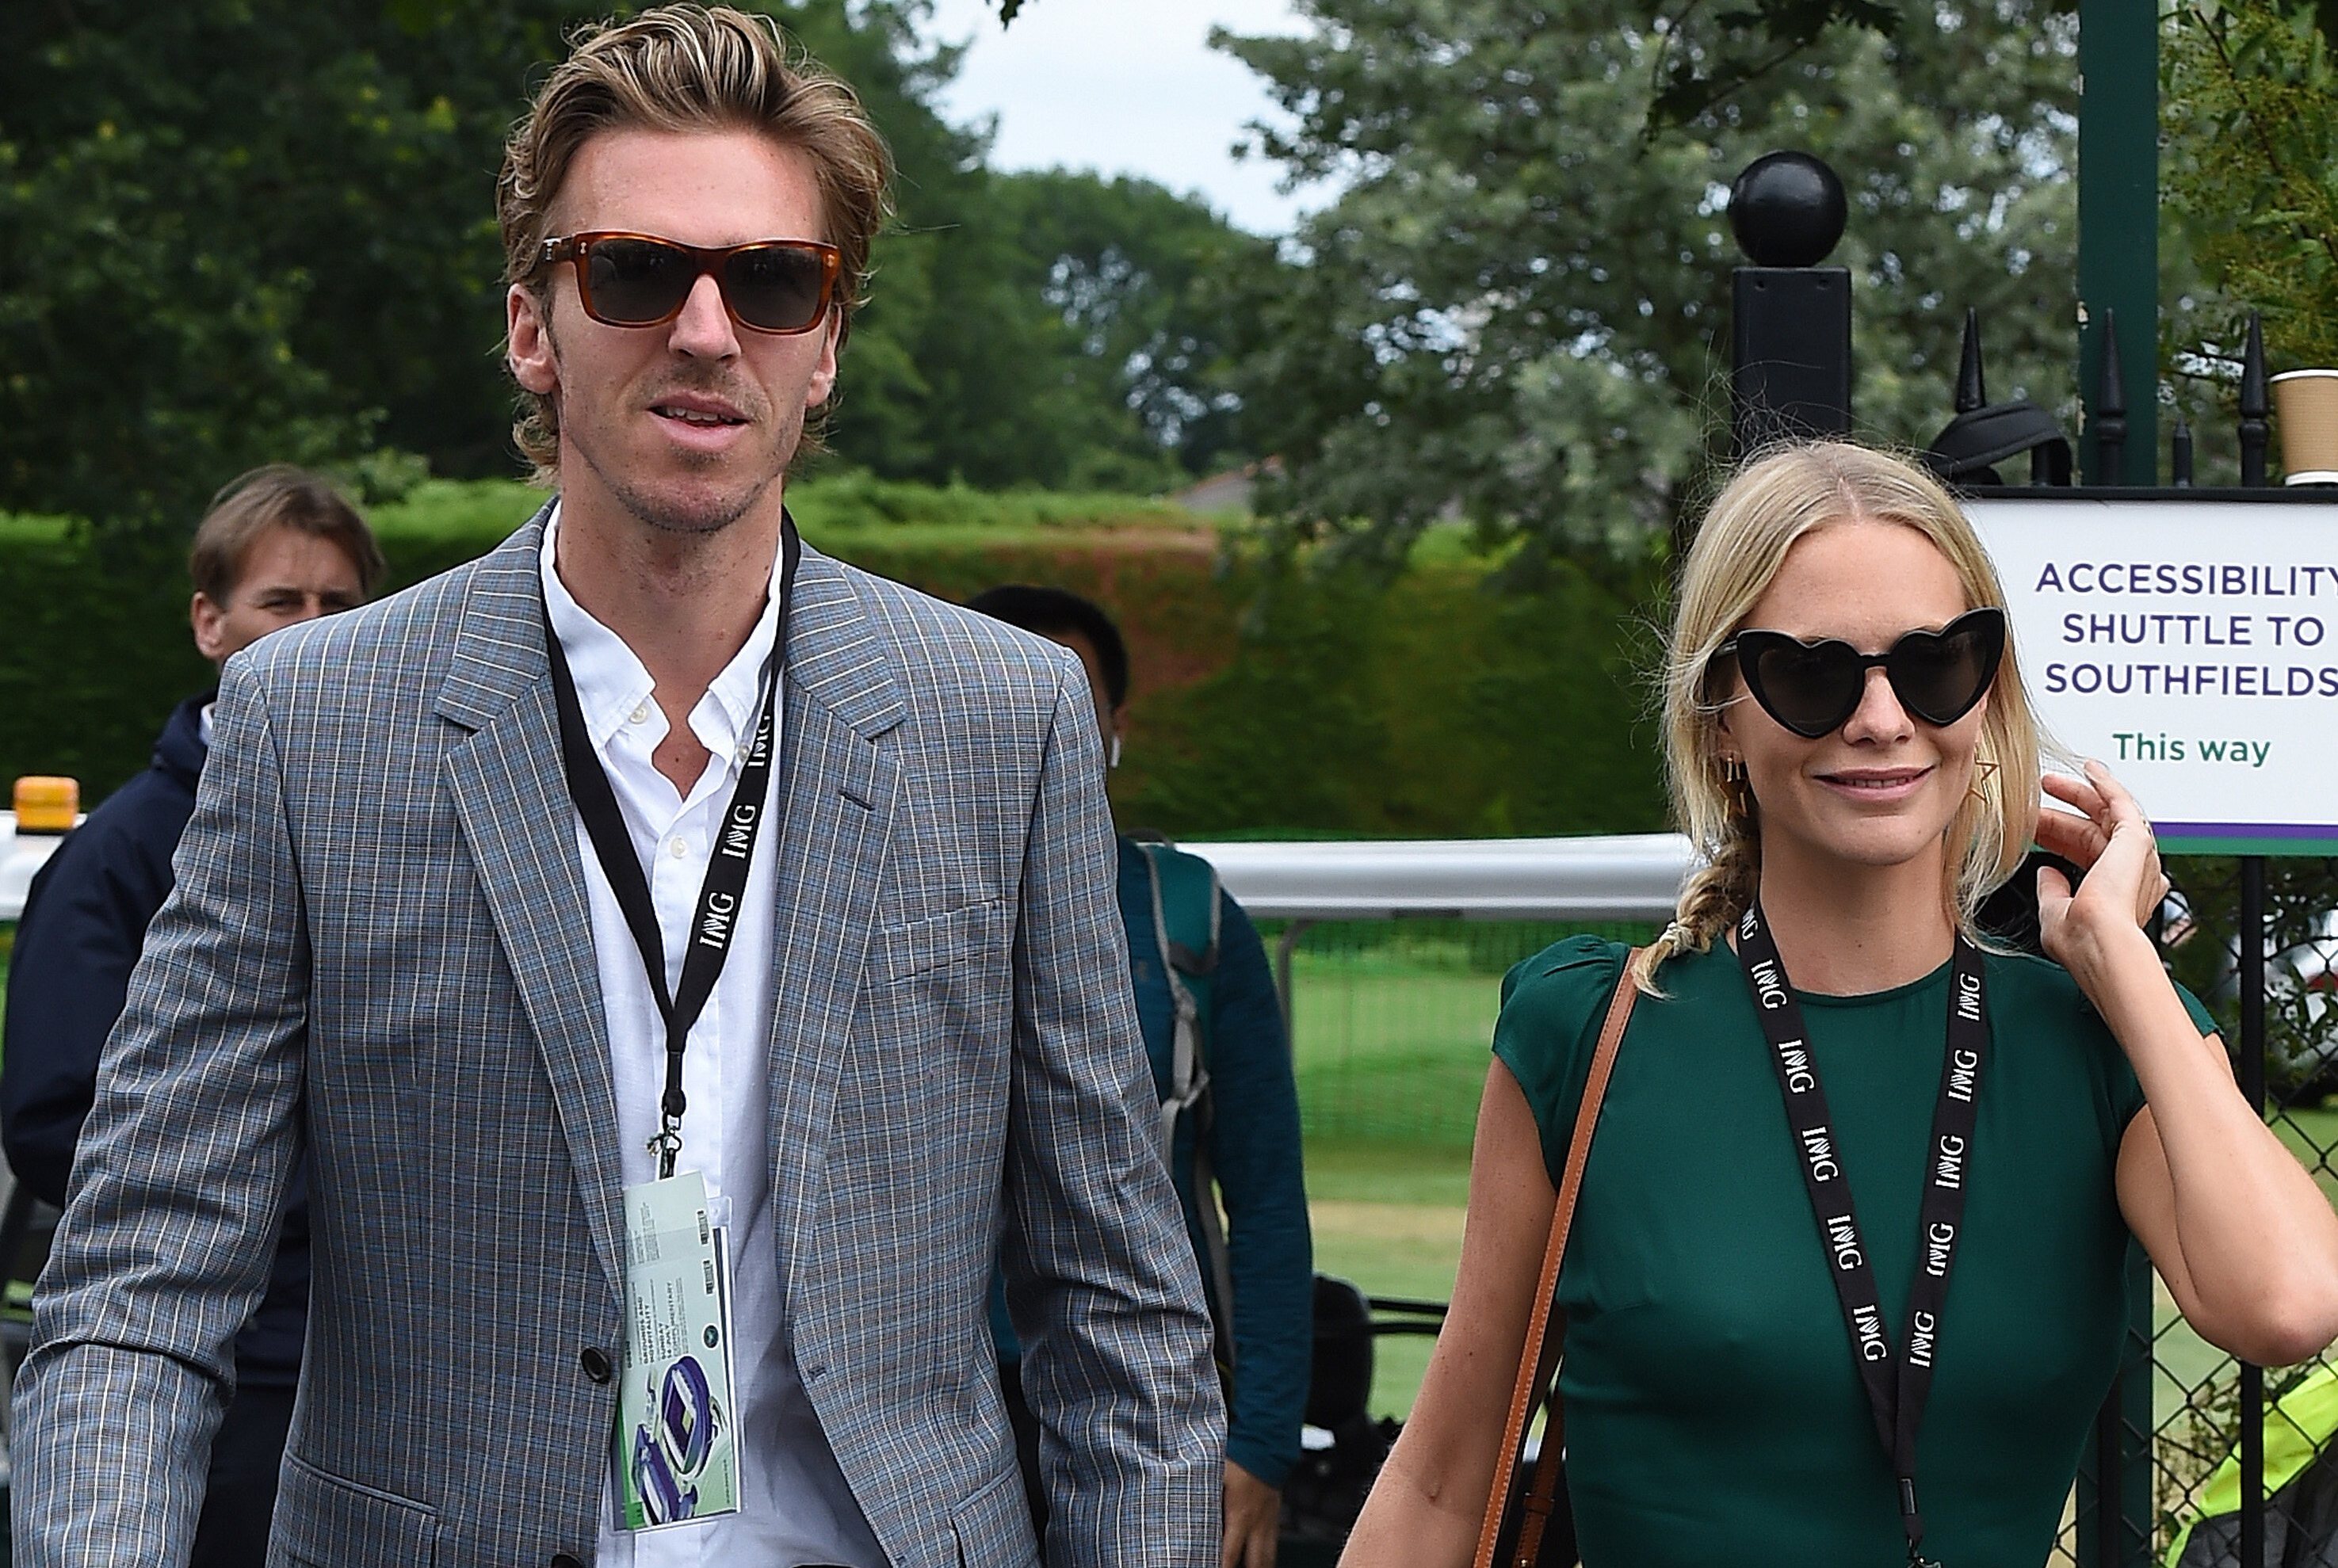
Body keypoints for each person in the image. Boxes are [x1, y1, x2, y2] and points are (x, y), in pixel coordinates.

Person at [10, 9, 1221, 1567]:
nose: (708, 329)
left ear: (828, 338)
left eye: (774, 280)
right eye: (636, 272)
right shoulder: (313, 718)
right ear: (534, 324)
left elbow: (1116, 1312)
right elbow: (137, 1289)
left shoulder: (1005, 718)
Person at [1339, 441, 2338, 1568]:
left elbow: (2287, 1302)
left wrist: (2121, 957)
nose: (1877, 716)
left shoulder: (2095, 1041)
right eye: (1811, 672)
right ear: (1721, 711)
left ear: (1988, 689)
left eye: (1935, 662)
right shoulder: (1586, 1031)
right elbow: (1442, 1476)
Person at [1, 464, 381, 1566]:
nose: (311, 629)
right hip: (235, 1367)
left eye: (338, 605)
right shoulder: (117, 855)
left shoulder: (399, 836)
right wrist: (292, 1197)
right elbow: (50, 1110)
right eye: (280, 600)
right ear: (210, 622)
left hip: (395, 1370)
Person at [966, 584, 1312, 1568]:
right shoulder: (870, 912)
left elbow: (1267, 1202)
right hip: (930, 1410)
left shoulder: (1188, 922)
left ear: (1115, 728)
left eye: (1066, 707)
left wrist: (1262, 1443)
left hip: (1146, 1401)